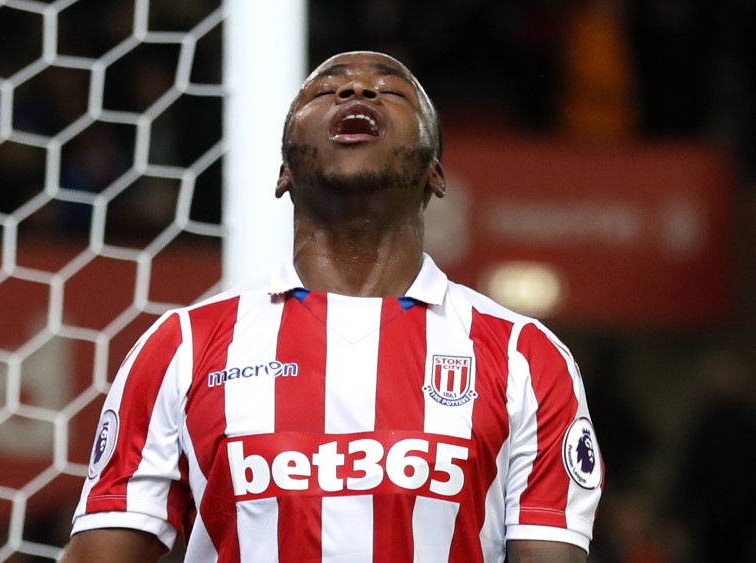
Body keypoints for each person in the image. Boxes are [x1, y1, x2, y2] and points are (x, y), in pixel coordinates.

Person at [60, 50, 603, 563]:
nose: (356, 87)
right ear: (283, 175)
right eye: (325, 88)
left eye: (391, 90)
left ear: (436, 175)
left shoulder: (523, 357)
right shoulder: (182, 346)